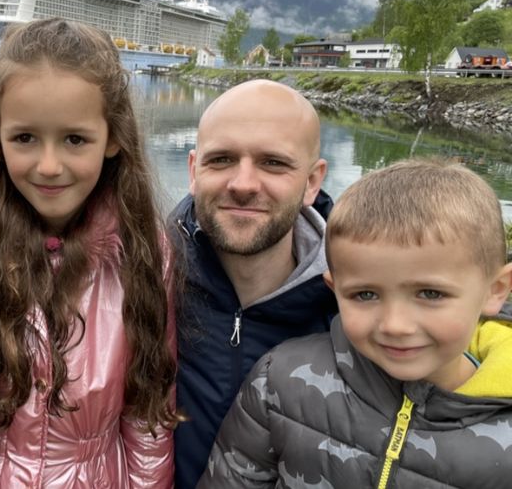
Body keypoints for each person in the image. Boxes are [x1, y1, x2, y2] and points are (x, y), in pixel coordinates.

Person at [0, 18, 179, 487]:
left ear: (113, 139)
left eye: (75, 139)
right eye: (25, 138)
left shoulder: (144, 250)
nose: (49, 166)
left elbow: (147, 414)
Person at [199, 158, 512, 488]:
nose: (395, 325)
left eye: (430, 293)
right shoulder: (279, 380)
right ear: (335, 290)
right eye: (365, 295)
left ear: (496, 291)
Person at [170, 79, 339, 488]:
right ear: (194, 171)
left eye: (273, 163)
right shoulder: (143, 281)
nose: (243, 184)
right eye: (222, 159)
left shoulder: (359, 307)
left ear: (312, 182)